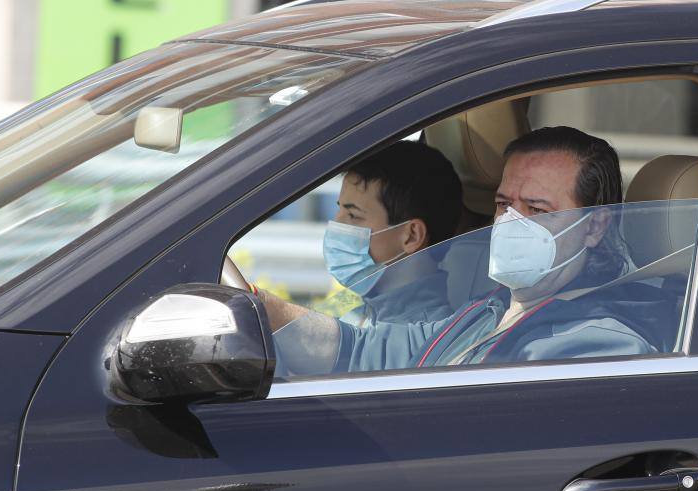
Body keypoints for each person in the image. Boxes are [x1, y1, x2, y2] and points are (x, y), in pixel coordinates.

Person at [264, 127, 677, 376]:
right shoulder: (490, 309)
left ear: (595, 226)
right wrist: (258, 306)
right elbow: (364, 352)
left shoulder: (595, 343)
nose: (509, 223)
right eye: (503, 204)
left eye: (536, 209)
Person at [251, 140, 462, 328]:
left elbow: (328, 344)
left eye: (353, 215)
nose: (336, 224)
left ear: (411, 236)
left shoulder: (426, 333)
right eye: (339, 209)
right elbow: (301, 333)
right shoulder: (357, 301)